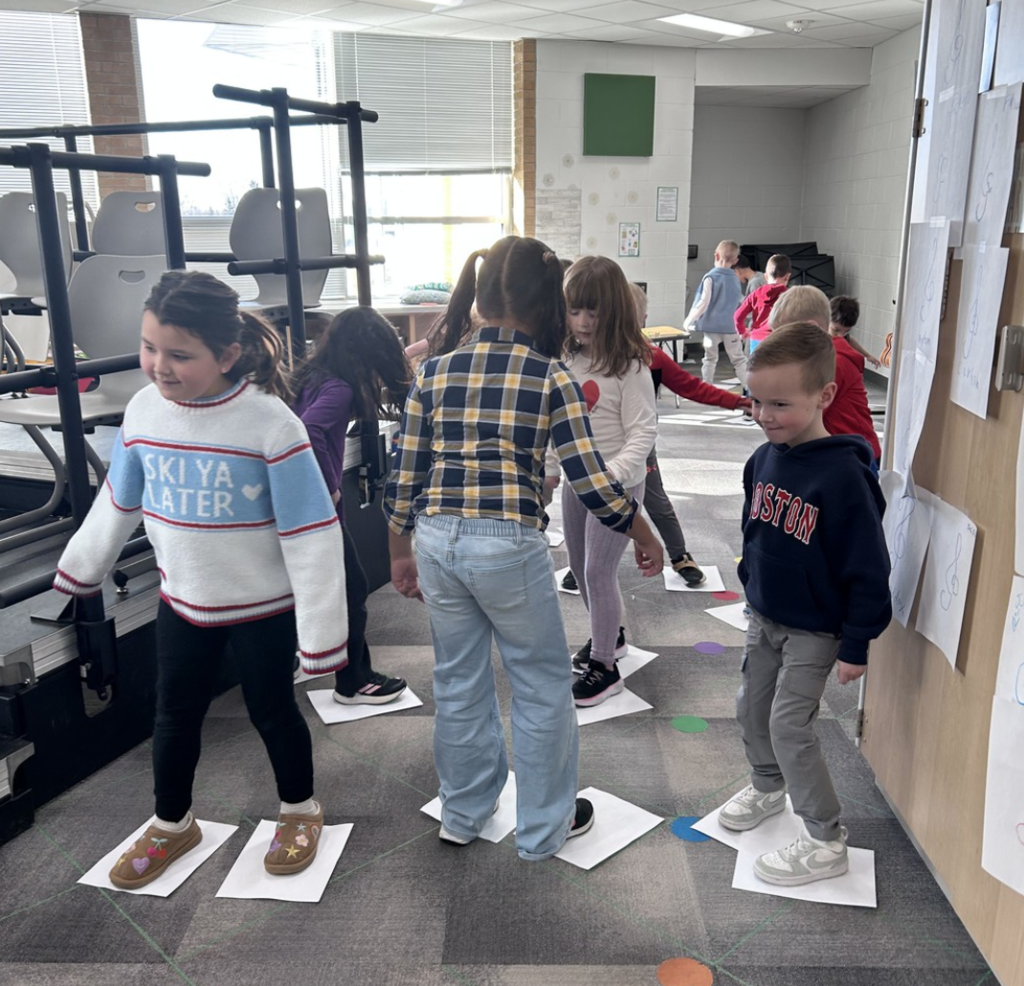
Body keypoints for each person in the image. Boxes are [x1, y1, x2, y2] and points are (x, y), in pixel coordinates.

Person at [53, 270, 348, 889]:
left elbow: (313, 534)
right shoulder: (142, 410)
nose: (159, 366)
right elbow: (118, 499)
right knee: (173, 714)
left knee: (272, 711)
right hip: (181, 602)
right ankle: (171, 822)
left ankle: (299, 810)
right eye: (149, 347)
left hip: (263, 608)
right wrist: (82, 567)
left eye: (180, 355)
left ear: (228, 355)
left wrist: (322, 637)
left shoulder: (271, 424)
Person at [383, 236, 664, 860]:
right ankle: (544, 829)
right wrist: (645, 534)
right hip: (507, 545)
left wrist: (399, 549)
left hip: (435, 539)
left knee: (458, 684)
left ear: (481, 300)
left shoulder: (433, 369)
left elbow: (404, 473)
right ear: (548, 310)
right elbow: (591, 480)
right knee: (538, 687)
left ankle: (463, 813)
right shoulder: (553, 376)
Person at [721, 321, 891, 887]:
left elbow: (869, 567)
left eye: (780, 403)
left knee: (790, 725)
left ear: (824, 396)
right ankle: (769, 787)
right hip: (764, 616)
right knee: (751, 709)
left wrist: (857, 642)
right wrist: (751, 584)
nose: (764, 414)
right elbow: (754, 530)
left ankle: (825, 838)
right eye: (755, 400)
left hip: (816, 629)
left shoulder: (844, 476)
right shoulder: (764, 458)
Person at [291, 307, 412, 705]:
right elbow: (308, 431)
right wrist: (328, 488)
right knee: (352, 588)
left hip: (288, 505)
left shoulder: (311, 374)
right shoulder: (340, 389)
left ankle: (341, 672)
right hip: (313, 509)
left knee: (329, 588)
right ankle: (354, 681)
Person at [559, 257, 658, 705]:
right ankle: (611, 636)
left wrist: (611, 475)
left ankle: (604, 665)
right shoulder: (566, 358)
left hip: (617, 486)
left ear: (613, 311)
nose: (581, 322)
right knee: (579, 570)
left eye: (592, 312)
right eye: (574, 310)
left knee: (599, 571)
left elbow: (643, 431)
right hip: (573, 481)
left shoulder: (630, 366)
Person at [630, 282, 751, 587]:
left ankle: (680, 555)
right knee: (595, 505)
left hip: (641, 446)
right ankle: (581, 566)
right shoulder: (591, 356)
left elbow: (691, 387)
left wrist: (737, 401)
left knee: (656, 500)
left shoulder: (651, 356)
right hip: (602, 449)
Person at [773, 288, 882, 471]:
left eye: (786, 336)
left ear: (812, 328)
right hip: (837, 452)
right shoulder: (818, 357)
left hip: (855, 457)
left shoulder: (833, 362)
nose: (782, 344)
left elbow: (807, 415)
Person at [683, 239, 747, 387]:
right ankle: (750, 389)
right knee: (738, 359)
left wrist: (689, 320)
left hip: (711, 328)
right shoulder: (735, 279)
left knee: (710, 359)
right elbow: (740, 301)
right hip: (731, 328)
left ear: (716, 255)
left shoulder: (710, 278)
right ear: (736, 260)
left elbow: (703, 303)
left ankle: (707, 387)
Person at [734, 254, 791, 352]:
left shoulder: (755, 294)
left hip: (756, 340)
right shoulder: (789, 295)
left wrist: (742, 331)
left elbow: (737, 316)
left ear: (765, 276)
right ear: (787, 277)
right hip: (779, 339)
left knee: (757, 366)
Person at [830, 294, 882, 368]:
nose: (840, 336)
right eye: (836, 330)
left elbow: (849, 339)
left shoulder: (843, 337)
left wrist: (867, 355)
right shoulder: (820, 336)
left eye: (846, 331)